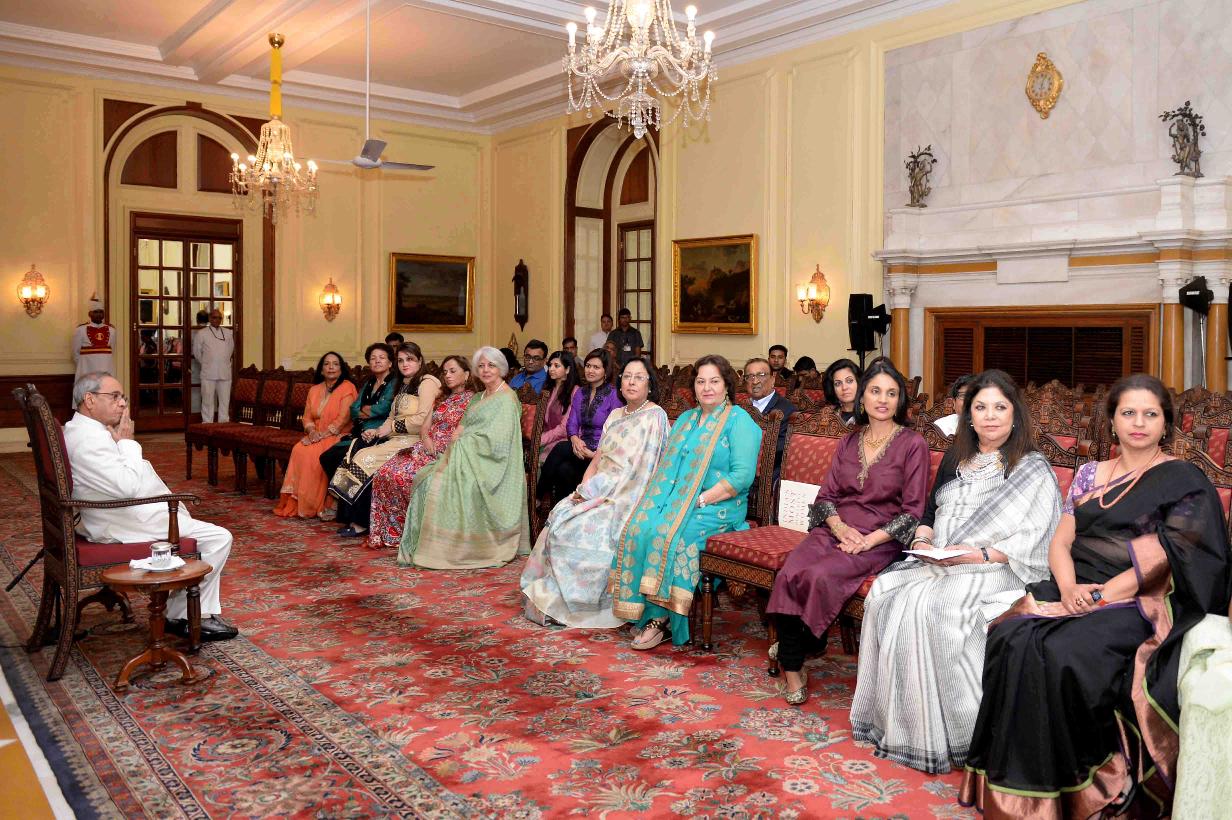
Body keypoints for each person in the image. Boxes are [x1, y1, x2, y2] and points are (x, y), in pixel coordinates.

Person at [960, 374, 1232, 819]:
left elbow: (1168, 556)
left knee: (1065, 652)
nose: (1138, 423)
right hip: (1075, 583)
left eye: (1150, 414)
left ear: (1166, 424)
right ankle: (1019, 787)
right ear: (1112, 421)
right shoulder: (1089, 473)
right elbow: (1060, 542)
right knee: (1011, 637)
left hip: (1139, 597)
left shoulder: (1184, 479)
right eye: (1128, 413)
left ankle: (1089, 782)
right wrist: (1069, 589)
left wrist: (1101, 596)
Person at [849, 369, 1060, 774]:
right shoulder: (958, 458)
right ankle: (903, 724)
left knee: (934, 606)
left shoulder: (1032, 467)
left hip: (997, 567)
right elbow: (931, 513)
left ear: (1015, 414)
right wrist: (924, 540)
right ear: (969, 416)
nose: (990, 416)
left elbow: (1036, 539)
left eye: (1000, 407)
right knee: (885, 594)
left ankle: (960, 734)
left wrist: (976, 554)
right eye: (980, 407)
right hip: (944, 560)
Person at [767, 359, 928, 704]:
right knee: (791, 572)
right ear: (863, 397)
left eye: (891, 393)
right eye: (875, 391)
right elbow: (826, 496)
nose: (882, 399)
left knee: (821, 575)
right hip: (836, 528)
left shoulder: (913, 444)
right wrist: (839, 528)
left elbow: (913, 512)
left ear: (900, 400)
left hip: (881, 538)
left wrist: (869, 540)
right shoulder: (848, 441)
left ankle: (795, 652)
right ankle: (797, 661)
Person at [65, 373, 237, 640]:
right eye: (114, 397)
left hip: (115, 512)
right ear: (89, 400)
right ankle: (185, 616)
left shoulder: (83, 430)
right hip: (120, 520)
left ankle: (180, 613)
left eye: (122, 397)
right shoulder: (88, 440)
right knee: (218, 538)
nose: (123, 403)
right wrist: (127, 442)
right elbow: (127, 487)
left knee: (206, 532)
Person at [613, 354, 763, 649]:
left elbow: (742, 477)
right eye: (701, 381)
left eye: (714, 381)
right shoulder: (685, 420)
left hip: (719, 507)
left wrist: (701, 499)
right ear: (693, 386)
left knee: (672, 535)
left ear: (727, 386)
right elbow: (667, 470)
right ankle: (643, 610)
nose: (707, 388)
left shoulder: (739, 421)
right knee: (640, 526)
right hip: (680, 501)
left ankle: (662, 619)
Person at [521, 358, 669, 627]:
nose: (632, 382)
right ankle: (556, 595)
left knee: (586, 527)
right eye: (627, 376)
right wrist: (584, 489)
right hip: (600, 486)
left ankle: (582, 603)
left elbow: (648, 468)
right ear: (620, 384)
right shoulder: (615, 415)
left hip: (628, 494)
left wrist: (611, 495)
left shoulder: (655, 417)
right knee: (563, 513)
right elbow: (598, 460)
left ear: (650, 385)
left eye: (639, 377)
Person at [399, 347, 531, 569]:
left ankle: (454, 549)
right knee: (424, 479)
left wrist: (463, 442)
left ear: (501, 369)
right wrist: (458, 439)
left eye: (491, 365)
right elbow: (461, 427)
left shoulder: (507, 399)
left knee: (437, 484)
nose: (486, 370)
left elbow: (498, 443)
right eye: (481, 366)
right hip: (466, 455)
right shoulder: (479, 396)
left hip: (490, 463)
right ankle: (433, 546)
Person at [332, 343, 441, 538]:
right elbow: (392, 417)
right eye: (401, 360)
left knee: (366, 458)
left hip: (415, 440)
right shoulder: (403, 384)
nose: (404, 364)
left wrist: (391, 428)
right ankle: (355, 517)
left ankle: (361, 522)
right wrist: (376, 431)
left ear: (419, 361)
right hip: (396, 438)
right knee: (359, 452)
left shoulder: (427, 382)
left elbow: (422, 419)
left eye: (410, 359)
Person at [368, 356, 475, 550]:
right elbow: (425, 427)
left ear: (466, 374)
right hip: (426, 446)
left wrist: (444, 447)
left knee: (407, 476)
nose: (447, 375)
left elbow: (468, 431)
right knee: (384, 472)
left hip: (450, 450)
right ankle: (393, 533)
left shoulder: (473, 400)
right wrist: (426, 440)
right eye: (445, 372)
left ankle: (417, 534)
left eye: (453, 371)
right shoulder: (441, 397)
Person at [273, 352, 358, 519]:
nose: (331, 367)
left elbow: (343, 419)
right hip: (316, 434)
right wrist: (312, 432)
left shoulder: (347, 388)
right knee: (299, 449)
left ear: (341, 369)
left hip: (338, 434)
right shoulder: (314, 390)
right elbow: (307, 417)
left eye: (335, 364)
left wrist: (321, 435)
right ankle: (297, 501)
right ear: (321, 369)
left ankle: (313, 504)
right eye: (327, 364)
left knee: (311, 453)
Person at [316, 343, 396, 519]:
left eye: (381, 358)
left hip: (379, 432)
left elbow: (385, 408)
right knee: (327, 457)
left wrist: (366, 410)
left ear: (390, 362)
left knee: (342, 456)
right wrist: (366, 411)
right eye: (373, 358)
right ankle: (342, 501)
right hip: (359, 431)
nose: (377, 361)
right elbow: (353, 409)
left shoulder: (394, 383)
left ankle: (340, 505)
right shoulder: (369, 382)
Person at [537, 349, 621, 505]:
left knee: (560, 447)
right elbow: (572, 423)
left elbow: (615, 432)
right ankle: (564, 511)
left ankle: (537, 496)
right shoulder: (581, 393)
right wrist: (575, 439)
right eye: (588, 366)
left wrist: (595, 454)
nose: (590, 370)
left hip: (602, 453)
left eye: (596, 367)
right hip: (581, 448)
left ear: (606, 371)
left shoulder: (614, 395)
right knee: (563, 469)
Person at [743, 357, 797, 479]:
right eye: (750, 377)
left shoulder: (787, 410)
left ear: (772, 380)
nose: (755, 381)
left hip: (768, 476)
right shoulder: (740, 408)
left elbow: (781, 450)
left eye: (761, 375)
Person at [537, 351, 582, 465]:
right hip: (545, 437)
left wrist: (539, 440)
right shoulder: (547, 389)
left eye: (556, 366)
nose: (551, 369)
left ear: (567, 370)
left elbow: (564, 428)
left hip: (564, 440)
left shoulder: (575, 391)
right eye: (550, 365)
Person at [191, 309, 235, 423]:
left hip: (224, 372)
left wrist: (223, 360)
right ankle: (207, 423)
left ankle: (223, 424)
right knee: (207, 401)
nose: (217, 320)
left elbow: (230, 349)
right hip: (208, 372)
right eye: (215, 317)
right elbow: (197, 352)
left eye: (219, 318)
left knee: (225, 401)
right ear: (210, 319)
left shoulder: (228, 333)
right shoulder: (202, 333)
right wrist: (207, 362)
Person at [72, 294, 116, 381]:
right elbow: (75, 353)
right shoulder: (80, 330)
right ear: (89, 314)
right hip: (86, 370)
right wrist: (84, 366)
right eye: (95, 312)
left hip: (106, 370)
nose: (99, 314)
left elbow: (112, 351)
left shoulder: (112, 330)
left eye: (101, 312)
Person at [823, 358, 862, 424]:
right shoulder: (828, 415)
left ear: (859, 382)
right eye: (838, 383)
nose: (844, 387)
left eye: (849, 381)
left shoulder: (871, 414)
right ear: (832, 388)